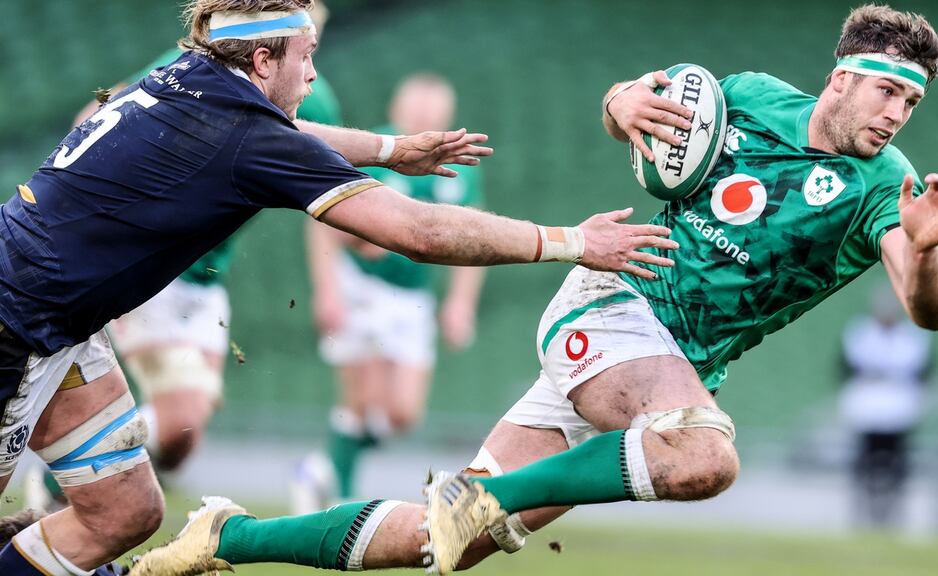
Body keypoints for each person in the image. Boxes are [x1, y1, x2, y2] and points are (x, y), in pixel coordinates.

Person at [130, 5, 938, 576]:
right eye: (888, 90)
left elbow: (923, 305)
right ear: (841, 80)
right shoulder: (749, 98)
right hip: (619, 299)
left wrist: (929, 252)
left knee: (437, 544)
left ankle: (223, 535)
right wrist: (621, 103)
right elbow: (632, 109)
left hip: (668, 358)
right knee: (701, 454)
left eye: (912, 101)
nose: (898, 113)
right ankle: (483, 498)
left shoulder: (884, 186)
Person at [0, 0, 674, 574]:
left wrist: (393, 150)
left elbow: (290, 131)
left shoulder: (191, 77)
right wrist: (572, 242)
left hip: (52, 321)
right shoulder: (243, 135)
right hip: (16, 328)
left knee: (126, 511)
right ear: (264, 62)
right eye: (306, 53)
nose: (315, 70)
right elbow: (419, 230)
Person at [24, 3, 345, 515]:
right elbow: (96, 114)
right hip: (154, 271)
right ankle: (68, 484)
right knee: (179, 419)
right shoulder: (197, 69)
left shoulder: (318, 102)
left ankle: (72, 482)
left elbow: (328, 191)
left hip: (203, 278)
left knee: (183, 437)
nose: (308, 65)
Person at [292, 72, 486, 511]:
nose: (424, 117)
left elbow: (473, 235)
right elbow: (321, 218)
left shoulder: (461, 165)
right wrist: (329, 292)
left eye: (433, 110)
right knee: (360, 399)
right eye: (416, 108)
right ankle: (338, 498)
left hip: (412, 299)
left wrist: (460, 303)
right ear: (398, 109)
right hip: (359, 285)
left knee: (402, 413)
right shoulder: (375, 147)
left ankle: (320, 468)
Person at [838, 286, 932, 528]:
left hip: (899, 408)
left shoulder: (911, 338)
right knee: (864, 462)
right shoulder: (861, 334)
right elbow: (846, 368)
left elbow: (924, 371)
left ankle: (894, 511)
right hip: (868, 407)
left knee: (898, 464)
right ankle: (862, 509)